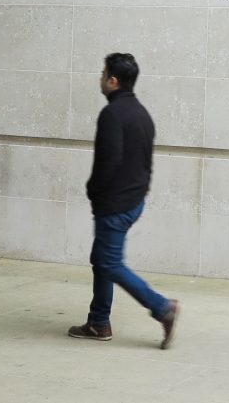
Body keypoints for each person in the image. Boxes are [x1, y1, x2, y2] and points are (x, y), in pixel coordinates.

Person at [68, 53, 180, 349]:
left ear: (113, 80)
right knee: (102, 259)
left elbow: (107, 163)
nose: (100, 79)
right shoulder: (142, 114)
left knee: (110, 263)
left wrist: (94, 192)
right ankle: (99, 322)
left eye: (103, 73)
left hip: (115, 205)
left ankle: (161, 307)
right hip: (133, 202)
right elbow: (146, 163)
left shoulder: (112, 115)